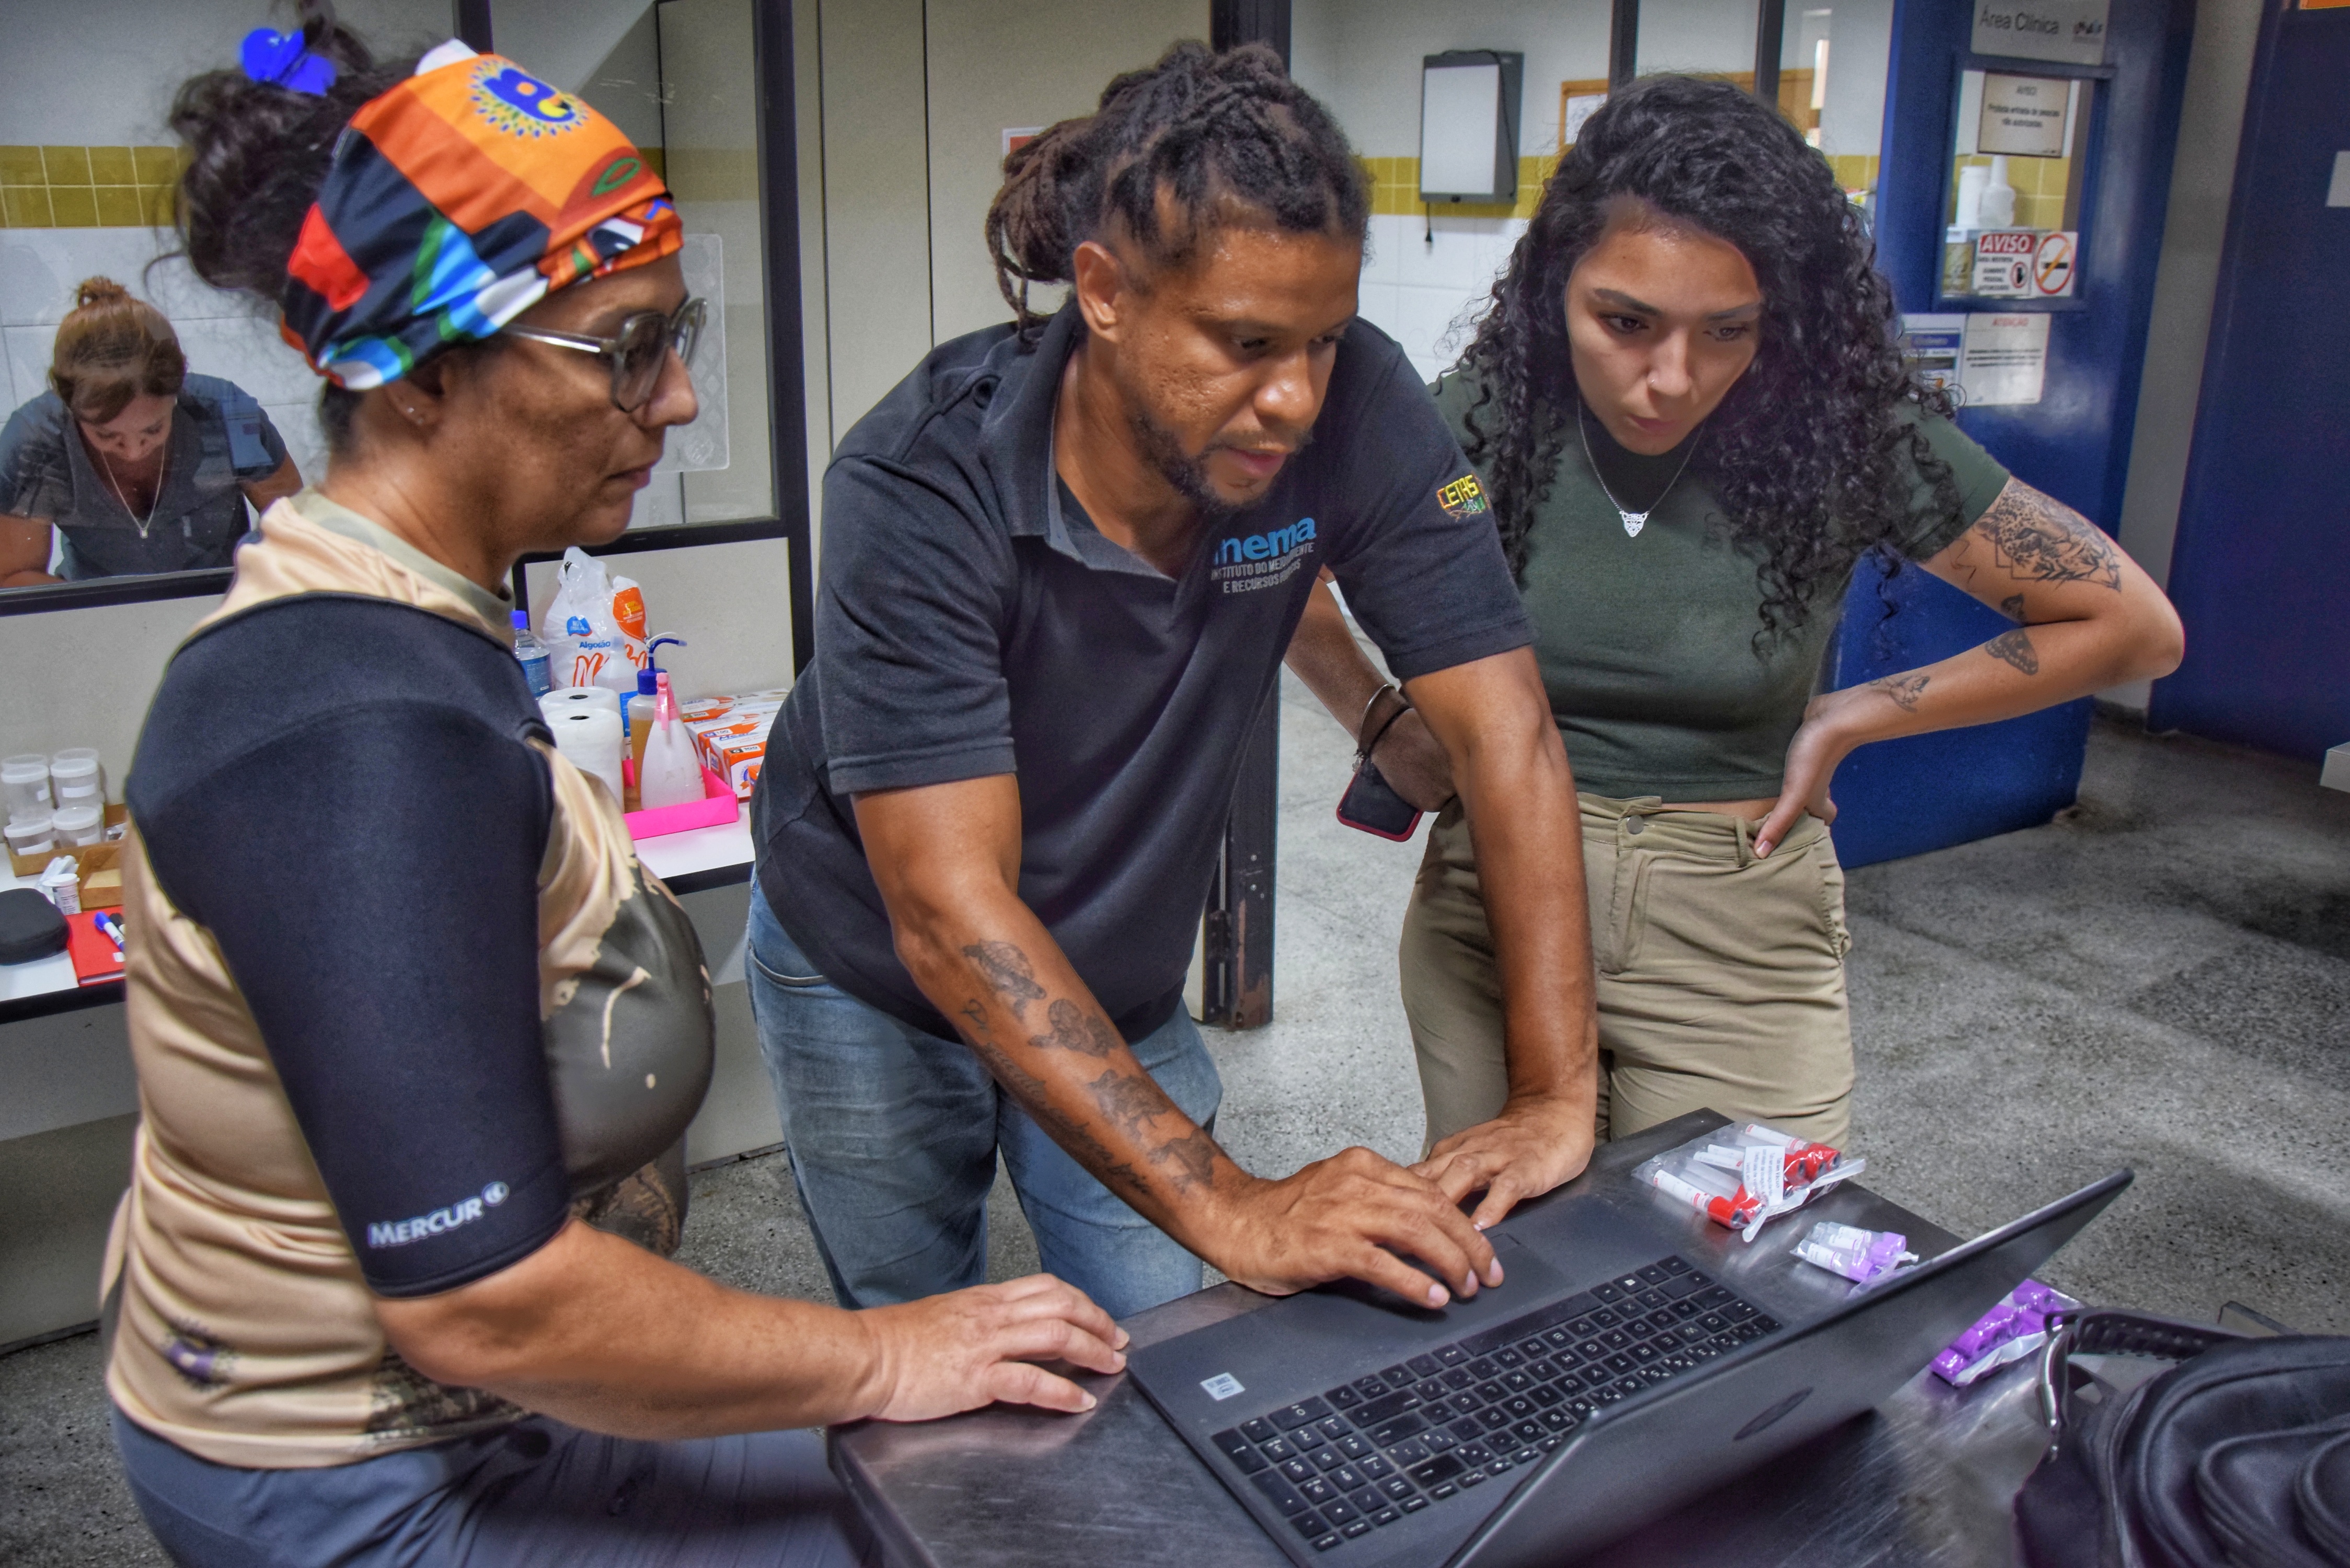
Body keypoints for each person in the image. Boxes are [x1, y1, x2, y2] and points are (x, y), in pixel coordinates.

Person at [109, 25, 1122, 1566]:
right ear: (426, 372)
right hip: (376, 1475)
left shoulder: (412, 624)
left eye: (675, 332)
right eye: (628, 347)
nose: (680, 397)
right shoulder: (354, 722)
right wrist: (883, 1350)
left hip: (501, 1409)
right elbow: (482, 1296)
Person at [748, 41, 1600, 1325]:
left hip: (1117, 964)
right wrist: (1235, 1202)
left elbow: (1508, 737)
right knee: (923, 1340)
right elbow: (948, 909)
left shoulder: (1356, 406)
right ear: (1102, 291)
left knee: (1170, 1334)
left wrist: (1552, 1096)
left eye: (1322, 340)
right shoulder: (921, 483)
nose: (1294, 398)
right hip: (871, 963)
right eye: (1246, 342)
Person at [1285, 75, 2184, 1152]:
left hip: (1736, 929)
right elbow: (1271, 563)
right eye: (1625, 322)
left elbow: (2129, 624)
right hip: (1492, 914)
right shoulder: (1486, 418)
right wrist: (1379, 717)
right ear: (1555, 285)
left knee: (1748, 1246)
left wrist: (1858, 714)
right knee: (1511, 1250)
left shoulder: (1843, 435)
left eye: (1726, 331)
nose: (1671, 378)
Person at [0, 279, 301, 584]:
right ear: (68, 406)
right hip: (93, 604)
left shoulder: (227, 414)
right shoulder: (35, 444)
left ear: (177, 394)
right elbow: (14, 576)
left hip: (223, 593)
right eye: (107, 435)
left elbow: (301, 532)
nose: (134, 451)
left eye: (154, 429)